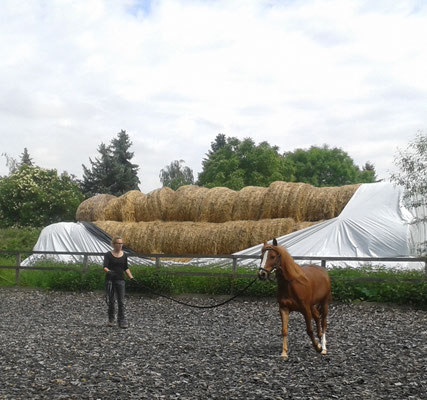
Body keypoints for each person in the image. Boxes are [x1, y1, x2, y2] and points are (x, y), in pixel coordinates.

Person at [103, 236, 134, 328]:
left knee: (121, 301)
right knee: (111, 300)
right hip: (110, 280)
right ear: (114, 244)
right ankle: (111, 319)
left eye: (121, 243)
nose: (120, 245)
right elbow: (104, 266)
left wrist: (131, 277)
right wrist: (109, 271)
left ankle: (122, 320)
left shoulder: (124, 255)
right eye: (118, 243)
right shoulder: (108, 255)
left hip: (121, 280)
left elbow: (126, 268)